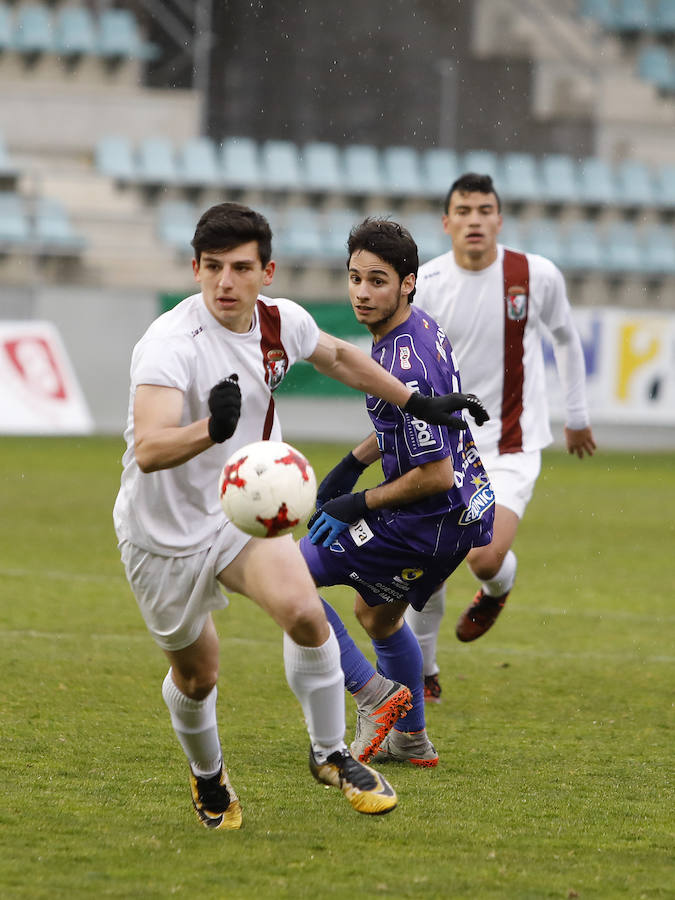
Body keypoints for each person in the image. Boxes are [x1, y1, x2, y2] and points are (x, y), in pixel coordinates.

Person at [112, 201, 487, 830]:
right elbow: (148, 450)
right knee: (198, 677)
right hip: (164, 536)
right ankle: (209, 777)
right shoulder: (168, 346)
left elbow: (341, 358)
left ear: (268, 271)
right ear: (195, 268)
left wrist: (419, 403)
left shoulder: (279, 323)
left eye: (239, 268)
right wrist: (213, 429)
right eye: (211, 268)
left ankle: (332, 754)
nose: (224, 283)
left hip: (242, 519)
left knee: (304, 612)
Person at [297, 218, 495, 767]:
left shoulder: (402, 358)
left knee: (290, 577)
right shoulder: (420, 328)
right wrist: (354, 462)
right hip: (460, 517)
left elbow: (434, 472)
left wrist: (357, 502)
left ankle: (374, 695)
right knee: (378, 618)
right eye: (355, 278)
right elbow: (403, 422)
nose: (362, 292)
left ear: (408, 282)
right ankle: (411, 738)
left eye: (378, 280)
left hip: (426, 515)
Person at [403, 173, 597, 703]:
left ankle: (497, 586)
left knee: (483, 557)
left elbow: (566, 339)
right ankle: (424, 675)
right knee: (430, 562)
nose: (474, 220)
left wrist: (576, 414)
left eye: (484, 209)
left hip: (511, 444)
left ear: (499, 219)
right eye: (463, 210)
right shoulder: (425, 283)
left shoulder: (534, 275)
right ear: (446, 222)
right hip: (444, 448)